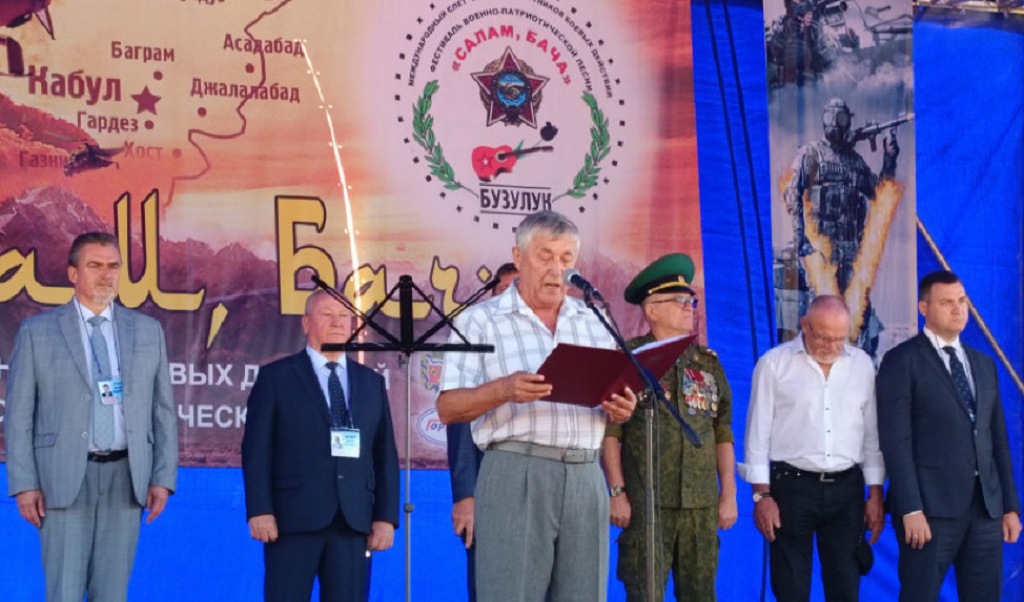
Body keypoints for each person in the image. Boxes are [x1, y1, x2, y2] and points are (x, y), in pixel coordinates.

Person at [437, 210, 638, 602]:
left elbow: (612, 396)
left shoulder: (594, 320)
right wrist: (503, 389)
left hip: (584, 475)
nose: (556, 269)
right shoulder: (480, 321)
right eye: (545, 256)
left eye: (566, 259)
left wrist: (620, 408)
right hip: (516, 471)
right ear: (518, 257)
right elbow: (448, 408)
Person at [4, 231, 178, 602]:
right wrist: (24, 483)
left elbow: (162, 410)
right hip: (62, 479)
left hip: (126, 478)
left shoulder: (148, 332)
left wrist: (163, 476)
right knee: (64, 593)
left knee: (112, 594)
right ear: (73, 274)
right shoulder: (38, 332)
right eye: (95, 265)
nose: (106, 274)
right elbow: (18, 416)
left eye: (113, 266)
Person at [242, 289, 400, 602]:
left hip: (352, 521)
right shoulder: (276, 377)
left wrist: (385, 517)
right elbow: (256, 450)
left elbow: (385, 455)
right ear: (306, 323)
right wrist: (260, 510)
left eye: (344, 316)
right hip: (291, 519)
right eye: (327, 315)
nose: (338, 322)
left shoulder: (371, 382)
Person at [876, 270, 1021, 601]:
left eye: (962, 301)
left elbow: (998, 440)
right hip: (929, 511)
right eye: (946, 303)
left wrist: (1009, 507)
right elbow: (895, 441)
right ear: (924, 308)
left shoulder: (984, 364)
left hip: (985, 509)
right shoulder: (902, 361)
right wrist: (911, 508)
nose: (958, 310)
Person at [602, 253, 737, 601]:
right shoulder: (629, 358)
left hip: (700, 505)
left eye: (691, 301)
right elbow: (611, 432)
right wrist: (617, 492)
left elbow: (722, 431)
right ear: (652, 310)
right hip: (647, 504)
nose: (689, 307)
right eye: (679, 301)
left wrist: (729, 493)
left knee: (701, 595)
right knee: (645, 594)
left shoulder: (707, 363)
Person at [739, 295, 884, 601]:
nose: (832, 346)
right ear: (804, 325)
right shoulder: (774, 364)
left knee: (846, 586)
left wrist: (875, 494)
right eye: (824, 337)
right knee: (790, 587)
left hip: (847, 489)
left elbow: (871, 436)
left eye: (840, 338)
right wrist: (762, 496)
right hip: (792, 487)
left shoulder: (861, 365)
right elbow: (756, 437)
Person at [783, 98, 900, 354]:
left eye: (841, 118)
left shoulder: (855, 162)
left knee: (861, 315)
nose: (835, 123)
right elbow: (792, 192)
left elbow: (880, 194)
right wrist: (800, 235)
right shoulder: (811, 154)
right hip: (821, 251)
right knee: (821, 313)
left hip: (851, 252)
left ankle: (863, 364)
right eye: (831, 117)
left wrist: (889, 158)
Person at [446, 261, 518, 602]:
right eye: (503, 290)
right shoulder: (473, 340)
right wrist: (466, 496)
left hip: (545, 493)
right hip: (488, 493)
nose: (511, 298)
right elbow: (458, 422)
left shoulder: (549, 338)